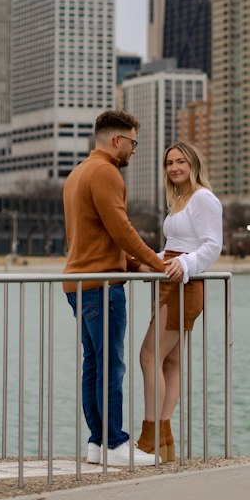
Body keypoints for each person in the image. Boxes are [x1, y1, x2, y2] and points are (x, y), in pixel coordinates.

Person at [63, 109, 172, 466]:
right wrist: (160, 264)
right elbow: (121, 230)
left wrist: (133, 263)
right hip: (102, 286)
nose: (134, 150)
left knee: (94, 364)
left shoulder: (77, 174)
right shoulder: (106, 173)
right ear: (117, 140)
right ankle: (114, 444)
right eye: (133, 142)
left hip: (78, 283)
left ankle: (97, 443)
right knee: (112, 366)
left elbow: (95, 237)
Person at [137, 141, 223, 463]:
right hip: (170, 280)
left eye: (180, 162)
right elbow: (175, 246)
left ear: (193, 164)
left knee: (149, 355)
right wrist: (148, 260)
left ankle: (150, 438)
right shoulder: (180, 200)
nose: (174, 168)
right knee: (169, 361)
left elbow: (212, 246)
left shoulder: (203, 198)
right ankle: (164, 437)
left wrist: (184, 265)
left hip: (184, 285)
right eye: (169, 163)